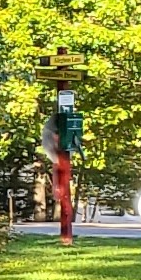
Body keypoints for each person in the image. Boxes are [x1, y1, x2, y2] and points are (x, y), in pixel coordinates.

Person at [44, 80, 83, 243]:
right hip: (58, 157)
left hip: (61, 157)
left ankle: (67, 235)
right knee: (59, 174)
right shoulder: (53, 139)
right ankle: (65, 235)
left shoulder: (62, 134)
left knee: (62, 176)